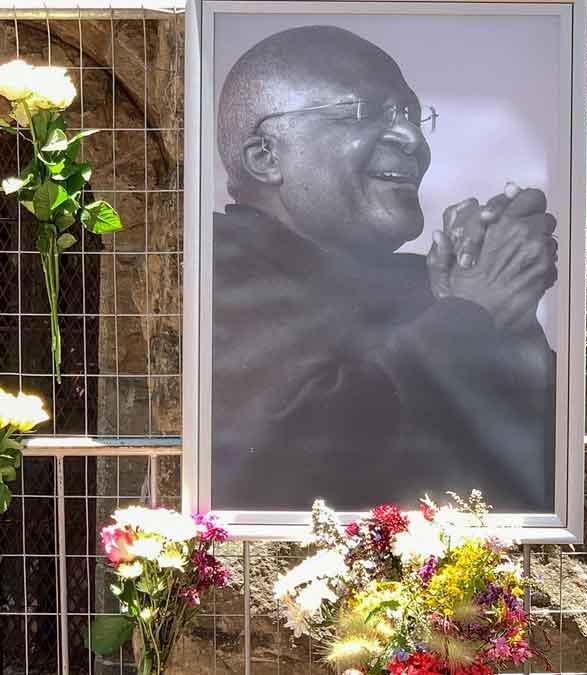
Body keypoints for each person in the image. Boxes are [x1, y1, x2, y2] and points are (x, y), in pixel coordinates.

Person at [212, 25, 558, 512]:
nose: (412, 137)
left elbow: (535, 478)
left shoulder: (424, 285)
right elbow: (279, 471)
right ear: (266, 156)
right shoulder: (216, 270)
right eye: (364, 112)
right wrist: (470, 315)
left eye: (415, 116)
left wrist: (508, 313)